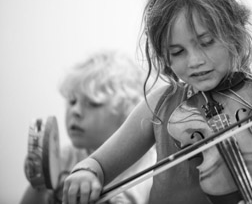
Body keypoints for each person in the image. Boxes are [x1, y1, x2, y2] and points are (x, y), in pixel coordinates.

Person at [62, 0, 252, 204]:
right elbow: (98, 164)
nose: (195, 61)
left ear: (235, 33)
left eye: (207, 42)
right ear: (164, 56)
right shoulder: (161, 103)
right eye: (178, 52)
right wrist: (86, 174)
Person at [20, 51, 156, 204]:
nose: (75, 111)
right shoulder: (63, 158)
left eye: (93, 103)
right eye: (72, 101)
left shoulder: (151, 167)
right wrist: (40, 182)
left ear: (130, 112)